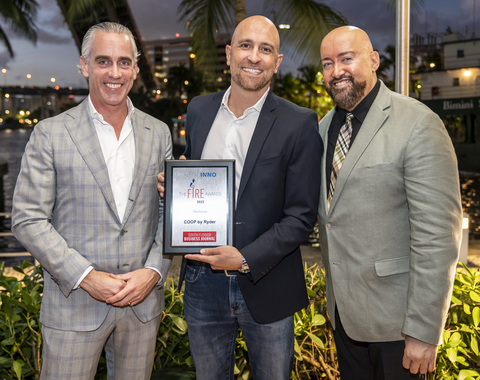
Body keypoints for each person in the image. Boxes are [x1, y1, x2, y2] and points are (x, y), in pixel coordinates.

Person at [164, 15, 322, 380]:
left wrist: (245, 258)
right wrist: (175, 187)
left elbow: (301, 216)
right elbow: (199, 180)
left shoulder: (299, 122)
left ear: (277, 62)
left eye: (266, 49)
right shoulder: (199, 110)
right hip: (202, 282)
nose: (254, 56)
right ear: (229, 53)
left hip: (266, 282)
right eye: (246, 46)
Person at [12, 22, 172, 380]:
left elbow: (167, 211)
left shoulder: (158, 132)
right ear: (84, 66)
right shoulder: (50, 134)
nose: (114, 73)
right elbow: (27, 219)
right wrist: (85, 276)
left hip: (142, 305)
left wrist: (154, 270)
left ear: (135, 69)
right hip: (74, 306)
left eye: (124, 62)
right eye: (103, 61)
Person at [317, 26, 462, 379]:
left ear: (373, 60)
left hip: (398, 327)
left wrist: (424, 331)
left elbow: (438, 236)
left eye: (346, 59)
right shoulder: (320, 130)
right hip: (345, 320)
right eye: (327, 63)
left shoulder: (417, 123)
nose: (336, 71)